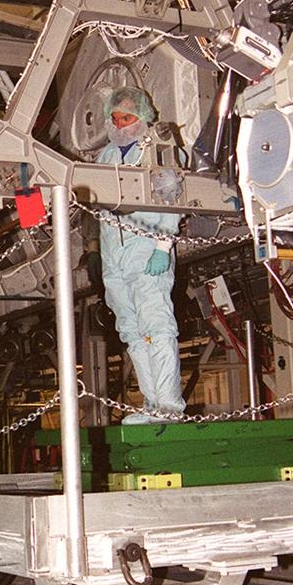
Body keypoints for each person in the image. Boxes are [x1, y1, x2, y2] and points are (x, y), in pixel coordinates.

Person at [94, 86, 186, 422]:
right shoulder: (105, 157)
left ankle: (170, 405)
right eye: (115, 118)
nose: (120, 124)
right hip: (114, 256)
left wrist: (163, 246)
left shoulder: (158, 147)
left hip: (147, 250)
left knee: (156, 324)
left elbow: (173, 199)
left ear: (143, 116)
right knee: (132, 331)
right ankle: (152, 403)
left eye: (127, 118)